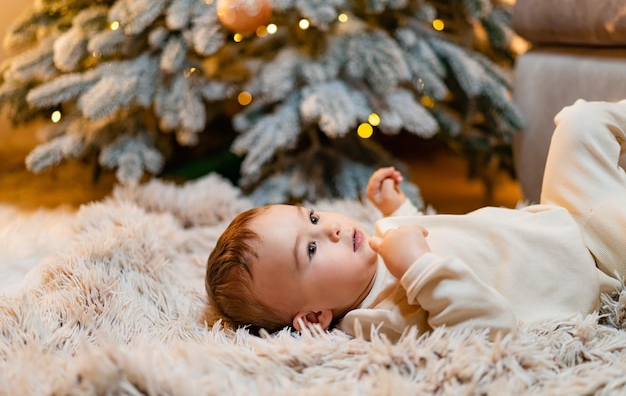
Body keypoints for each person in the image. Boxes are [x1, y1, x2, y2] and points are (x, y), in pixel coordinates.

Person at [206, 99, 626, 340]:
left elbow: (440, 237)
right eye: (311, 248)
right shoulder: (382, 320)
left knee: (579, 121)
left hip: (560, 216)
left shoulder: (378, 245)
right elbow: (491, 330)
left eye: (312, 216)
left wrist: (396, 211)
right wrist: (418, 268)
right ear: (314, 317)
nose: (330, 228)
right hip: (597, 263)